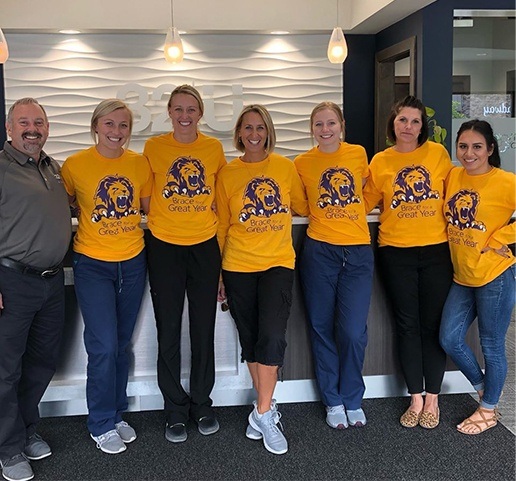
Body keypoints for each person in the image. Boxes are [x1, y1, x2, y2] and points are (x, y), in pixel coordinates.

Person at [61, 99, 152, 454]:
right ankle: (100, 422)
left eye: (124, 126)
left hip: (133, 262)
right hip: (93, 264)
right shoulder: (75, 165)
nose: (117, 132)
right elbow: (66, 205)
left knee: (121, 345)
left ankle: (115, 413)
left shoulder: (138, 163)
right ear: (96, 126)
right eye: (110, 124)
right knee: (102, 345)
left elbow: (148, 210)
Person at [216, 104, 309, 455]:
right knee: (251, 338)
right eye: (248, 128)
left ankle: (264, 412)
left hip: (277, 264)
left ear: (268, 131)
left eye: (260, 128)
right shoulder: (227, 173)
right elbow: (222, 227)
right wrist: (220, 273)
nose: (254, 134)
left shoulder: (285, 167)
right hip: (238, 265)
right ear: (239, 133)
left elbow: (302, 205)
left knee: (272, 336)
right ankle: (263, 410)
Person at [363, 95, 453, 429]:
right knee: (406, 325)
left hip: (436, 251)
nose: (409, 127)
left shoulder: (438, 154)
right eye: (403, 120)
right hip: (395, 251)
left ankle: (433, 399)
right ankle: (415, 397)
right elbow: (365, 202)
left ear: (422, 127)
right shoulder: (381, 161)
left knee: (432, 326)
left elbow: (455, 193)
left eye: (415, 121)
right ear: (393, 123)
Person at [143, 85, 226, 443]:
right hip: (164, 246)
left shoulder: (213, 148)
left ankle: (202, 403)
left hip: (205, 246)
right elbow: (147, 199)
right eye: (178, 108)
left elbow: (220, 201)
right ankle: (175, 409)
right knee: (168, 329)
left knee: (203, 327)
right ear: (170, 112)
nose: (185, 115)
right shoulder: (154, 148)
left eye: (191, 109)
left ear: (200, 112)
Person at [0, 98, 71, 481]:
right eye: (24, 122)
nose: (33, 128)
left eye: (39, 122)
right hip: (11, 281)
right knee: (4, 370)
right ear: (9, 128)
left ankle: (26, 431)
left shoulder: (53, 168)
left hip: (51, 281)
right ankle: (7, 448)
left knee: (42, 363)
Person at [294, 102, 373, 429]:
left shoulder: (358, 154)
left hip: (357, 252)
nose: (325, 130)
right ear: (311, 129)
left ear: (341, 124)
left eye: (330, 123)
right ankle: (333, 400)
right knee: (321, 328)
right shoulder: (301, 163)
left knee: (354, 332)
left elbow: (367, 193)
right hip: (319, 251)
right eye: (318, 124)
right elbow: (300, 204)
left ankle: (353, 397)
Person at [439, 120, 515, 435]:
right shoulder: (454, 175)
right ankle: (486, 389)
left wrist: (500, 240)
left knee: (492, 345)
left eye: (477, 147)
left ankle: (488, 409)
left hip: (493, 275)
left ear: (490, 149)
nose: (469, 154)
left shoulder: (505, 181)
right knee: (449, 338)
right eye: (463, 146)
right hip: (462, 274)